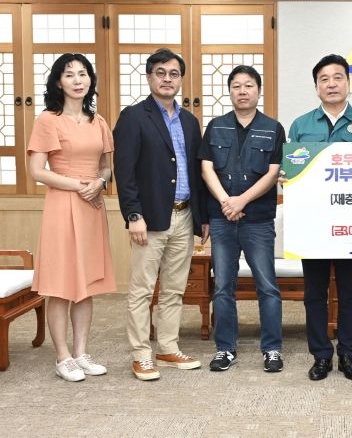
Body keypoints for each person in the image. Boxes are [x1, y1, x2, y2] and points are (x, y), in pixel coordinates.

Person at [113, 48, 209, 381]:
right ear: (149, 76)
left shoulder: (189, 121)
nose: (167, 79)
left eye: (174, 74)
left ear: (181, 79)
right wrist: (133, 214)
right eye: (161, 73)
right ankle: (141, 354)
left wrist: (202, 217)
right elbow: (124, 171)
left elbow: (197, 173)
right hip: (150, 217)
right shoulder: (133, 117)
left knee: (174, 289)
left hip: (184, 215)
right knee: (142, 290)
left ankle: (168, 347)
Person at [287, 54, 352, 381]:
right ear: (316, 87)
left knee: (350, 292)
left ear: (348, 83)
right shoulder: (301, 125)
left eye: (337, 77)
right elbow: (293, 170)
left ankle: (349, 355)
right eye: (324, 79)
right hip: (312, 223)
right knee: (314, 293)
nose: (331, 84)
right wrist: (287, 177)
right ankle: (321, 356)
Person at [26, 53, 115, 382]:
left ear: (90, 79)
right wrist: (80, 185)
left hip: (92, 206)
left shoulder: (98, 121)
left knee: (86, 284)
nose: (78, 80)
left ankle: (81, 353)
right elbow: (37, 171)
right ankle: (62, 357)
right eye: (69, 74)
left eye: (83, 73)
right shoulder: (48, 120)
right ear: (58, 82)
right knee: (61, 285)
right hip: (63, 204)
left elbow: (106, 167)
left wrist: (100, 183)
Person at [199, 65, 286, 373]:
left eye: (248, 85)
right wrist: (226, 201)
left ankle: (272, 349)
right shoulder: (216, 126)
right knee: (223, 286)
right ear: (230, 91)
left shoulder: (273, 128)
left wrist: (241, 201)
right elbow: (206, 168)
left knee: (267, 286)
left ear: (258, 90)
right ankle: (225, 348)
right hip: (222, 219)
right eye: (236, 86)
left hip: (258, 220)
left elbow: (273, 173)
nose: (242, 91)